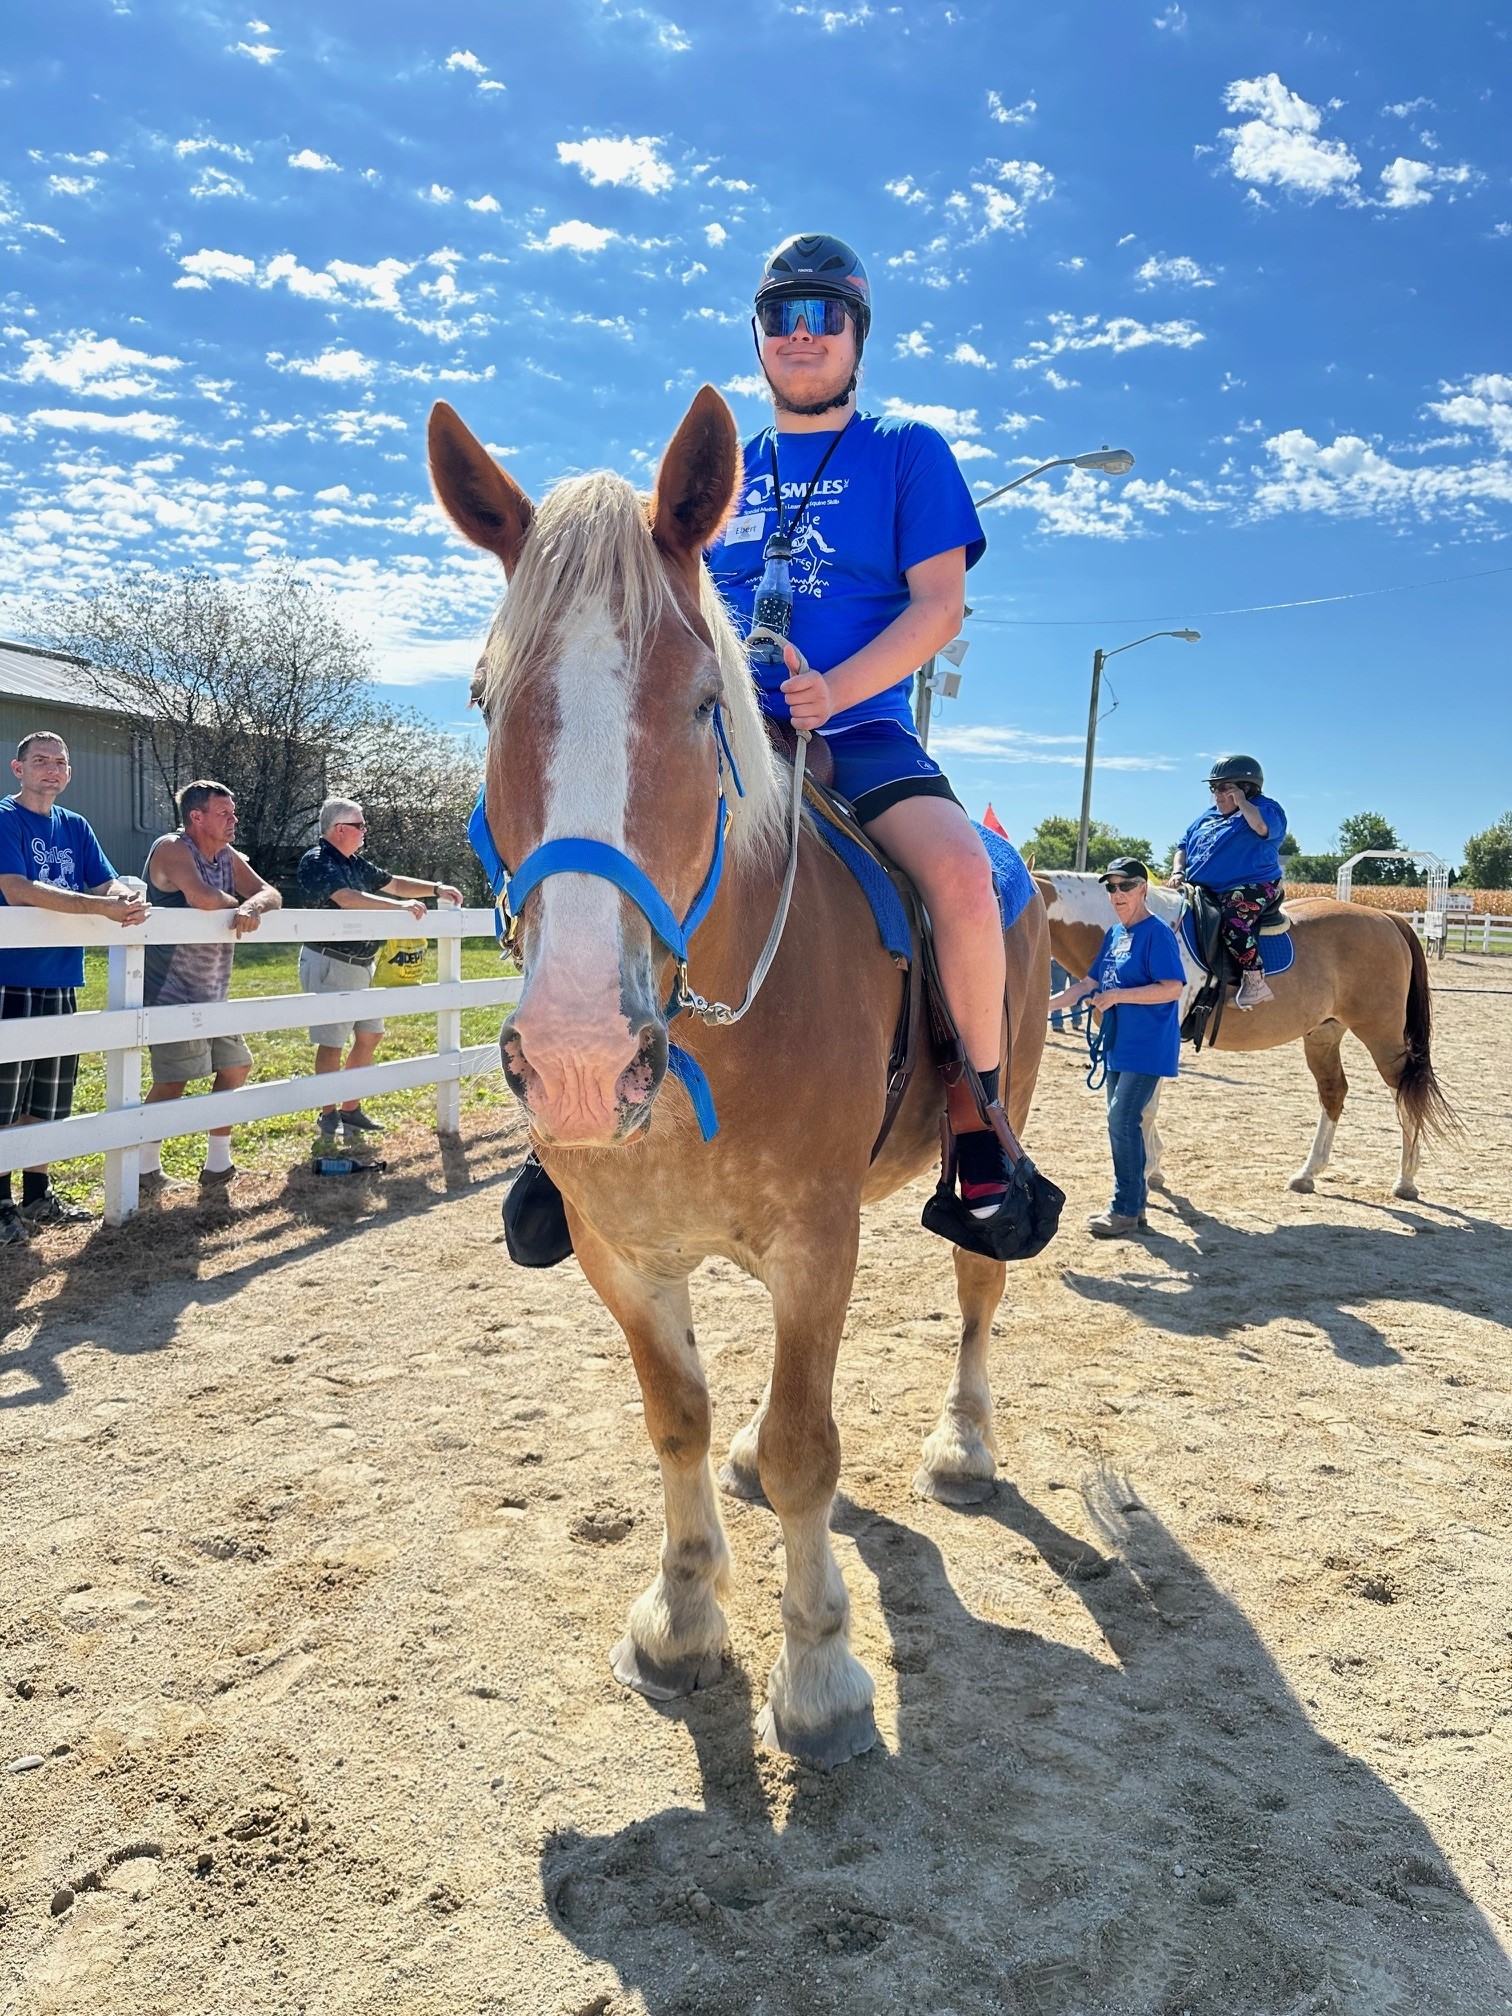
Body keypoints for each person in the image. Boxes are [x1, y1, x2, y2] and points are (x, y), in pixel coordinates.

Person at [705, 232, 1017, 1230]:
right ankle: (563, 1124)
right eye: (780, 315)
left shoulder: (907, 450)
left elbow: (939, 609)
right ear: (759, 335)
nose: (801, 334)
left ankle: (977, 1111)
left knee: (963, 875)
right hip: (722, 735)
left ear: (857, 336)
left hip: (861, 732)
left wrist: (832, 692)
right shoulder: (723, 468)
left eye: (823, 315)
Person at [0, 729, 148, 1243]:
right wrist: (99, 907)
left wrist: (124, 896)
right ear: (19, 769)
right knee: (3, 1096)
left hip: (61, 975)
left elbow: (105, 881)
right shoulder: (5, 819)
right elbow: (16, 890)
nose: (52, 770)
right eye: (41, 760)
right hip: (9, 977)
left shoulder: (76, 825)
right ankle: (0, 1203)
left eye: (60, 762)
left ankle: (37, 1195)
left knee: (48, 1093)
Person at [139, 780, 282, 1197]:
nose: (233, 820)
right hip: (171, 990)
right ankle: (144, 1169)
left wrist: (253, 904)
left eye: (233, 812)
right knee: (175, 1080)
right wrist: (239, 905)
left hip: (213, 989)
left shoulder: (226, 855)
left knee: (235, 1066)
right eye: (224, 813)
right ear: (196, 817)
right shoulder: (172, 848)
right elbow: (201, 897)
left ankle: (218, 1165)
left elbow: (270, 892)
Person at [297, 799, 460, 1141]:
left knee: (370, 1035)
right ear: (340, 829)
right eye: (360, 825)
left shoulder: (353, 861)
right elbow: (346, 898)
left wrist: (434, 889)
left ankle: (350, 1108)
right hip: (330, 960)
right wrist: (399, 908)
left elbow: (394, 883)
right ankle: (328, 1114)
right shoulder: (317, 860)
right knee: (332, 1042)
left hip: (361, 964)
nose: (365, 830)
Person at [1048, 858, 1185, 1240]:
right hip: (1117, 1045)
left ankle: (1124, 1209)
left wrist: (1118, 996)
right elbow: (1088, 983)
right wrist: (1043, 1007)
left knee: (1121, 1120)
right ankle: (1133, 1207)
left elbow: (1172, 987)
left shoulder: (1156, 933)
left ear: (1143, 889)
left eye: (1125, 886)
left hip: (1147, 1047)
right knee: (1123, 1124)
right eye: (1111, 887)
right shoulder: (1114, 935)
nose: (1117, 894)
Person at [1169, 755, 1288, 1010]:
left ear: (1246, 787)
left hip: (1251, 886)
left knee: (1234, 921)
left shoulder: (1267, 809)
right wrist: (1178, 871)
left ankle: (1254, 980)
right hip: (1202, 889)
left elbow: (1261, 827)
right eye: (1213, 788)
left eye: (1224, 787)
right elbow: (1182, 846)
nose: (1216, 794)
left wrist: (1242, 802)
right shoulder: (1207, 816)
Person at [1048, 957, 1083, 1035]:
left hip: (1058, 959)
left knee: (1057, 991)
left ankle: (1056, 1023)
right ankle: (1076, 1021)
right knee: (1076, 992)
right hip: (1073, 960)